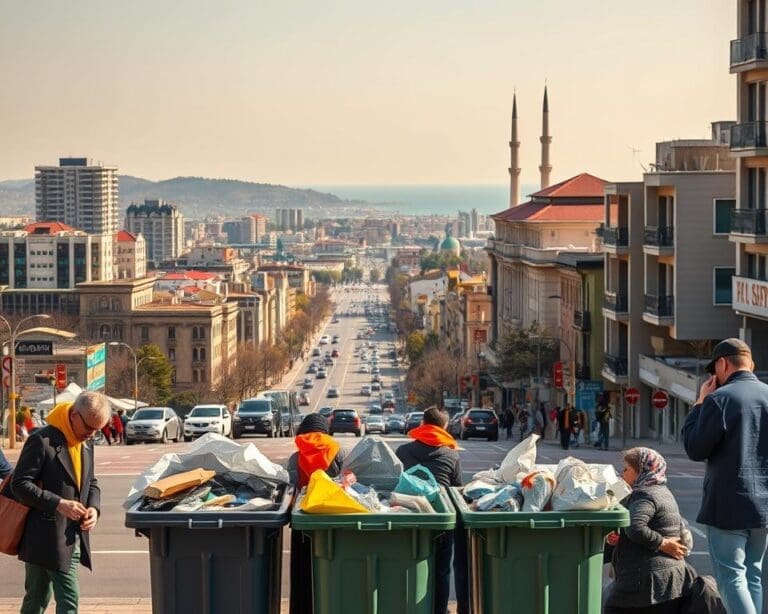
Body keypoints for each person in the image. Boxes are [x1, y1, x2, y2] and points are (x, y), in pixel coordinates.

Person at [682, 338, 768, 614]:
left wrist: (699, 403)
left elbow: (695, 447)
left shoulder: (719, 399)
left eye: (714, 370)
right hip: (764, 507)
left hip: (728, 505)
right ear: (751, 364)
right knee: (753, 575)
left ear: (723, 364)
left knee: (732, 577)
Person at [12, 391, 112, 614]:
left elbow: (91, 482)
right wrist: (58, 503)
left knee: (36, 598)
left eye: (98, 430)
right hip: (44, 535)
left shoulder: (86, 442)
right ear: (75, 415)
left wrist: (94, 509)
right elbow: (19, 484)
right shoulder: (42, 440)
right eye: (89, 428)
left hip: (70, 535)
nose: (92, 435)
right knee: (67, 600)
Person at [396, 406, 468, 614]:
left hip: (408, 518)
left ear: (422, 424)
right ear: (444, 427)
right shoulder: (451, 455)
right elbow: (457, 490)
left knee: (408, 566)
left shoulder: (403, 451)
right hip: (441, 519)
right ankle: (439, 610)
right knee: (441, 569)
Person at [603, 447, 691, 614]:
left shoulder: (645, 494)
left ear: (640, 472)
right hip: (666, 582)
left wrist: (661, 543)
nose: (622, 473)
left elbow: (635, 527)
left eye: (626, 469)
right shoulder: (660, 490)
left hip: (647, 582)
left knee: (611, 608)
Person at [287, 413, 346, 614]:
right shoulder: (338, 452)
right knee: (333, 570)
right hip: (333, 519)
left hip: (303, 520)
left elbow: (291, 489)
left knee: (302, 572)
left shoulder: (296, 457)